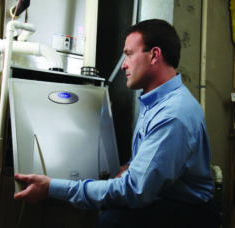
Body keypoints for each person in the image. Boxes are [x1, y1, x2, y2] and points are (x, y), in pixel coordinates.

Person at [14, 19, 222, 228]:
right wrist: (131, 166)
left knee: (112, 221)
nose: (123, 64)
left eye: (130, 54)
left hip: (188, 213)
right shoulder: (156, 100)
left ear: (154, 55)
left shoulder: (172, 115)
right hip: (167, 199)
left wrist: (52, 187)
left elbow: (133, 191)